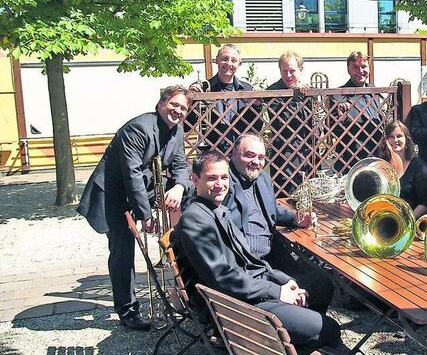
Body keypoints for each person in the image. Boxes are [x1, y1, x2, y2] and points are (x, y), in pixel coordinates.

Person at [173, 151, 341, 352]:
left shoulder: (215, 209)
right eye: (212, 178)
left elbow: (251, 260)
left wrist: (282, 280)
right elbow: (223, 279)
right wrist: (277, 292)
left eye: (224, 177)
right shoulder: (195, 220)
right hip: (237, 307)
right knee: (328, 329)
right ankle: (283, 343)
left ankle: (291, 338)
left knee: (322, 284)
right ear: (195, 179)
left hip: (250, 290)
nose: (219, 184)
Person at [77, 85, 191, 330]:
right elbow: (132, 174)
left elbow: (181, 165)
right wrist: (145, 215)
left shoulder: (178, 131)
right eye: (174, 105)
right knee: (122, 252)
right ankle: (127, 311)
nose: (178, 111)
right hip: (114, 195)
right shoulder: (138, 128)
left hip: (139, 192)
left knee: (190, 195)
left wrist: (180, 187)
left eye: (183, 108)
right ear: (161, 104)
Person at [223, 133, 335, 315]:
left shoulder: (262, 179)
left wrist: (295, 218)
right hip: (248, 264)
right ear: (234, 154)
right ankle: (297, 328)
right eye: (249, 155)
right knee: (303, 289)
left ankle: (302, 329)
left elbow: (272, 207)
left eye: (261, 157)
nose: (256, 162)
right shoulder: (225, 182)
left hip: (273, 254)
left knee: (323, 283)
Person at [188, 44, 258, 151]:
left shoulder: (247, 89)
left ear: (239, 64)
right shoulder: (204, 87)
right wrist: (191, 101)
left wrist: (257, 106)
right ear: (216, 60)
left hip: (240, 152)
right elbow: (187, 126)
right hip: (211, 152)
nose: (229, 63)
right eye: (225, 59)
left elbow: (256, 127)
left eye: (234, 60)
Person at [266, 51, 314, 194]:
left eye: (292, 71)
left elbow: (317, 122)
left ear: (301, 69)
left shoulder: (309, 91)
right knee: (287, 197)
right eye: (284, 71)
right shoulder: (272, 91)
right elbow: (281, 122)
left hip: (309, 153)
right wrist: (292, 97)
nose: (287, 75)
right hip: (285, 155)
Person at [331, 51, 383, 174]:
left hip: (376, 157)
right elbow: (332, 131)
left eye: (364, 67)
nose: (360, 71)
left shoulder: (375, 91)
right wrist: (341, 120)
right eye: (355, 67)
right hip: (350, 161)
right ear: (348, 70)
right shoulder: (338, 95)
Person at [376, 121, 427, 218]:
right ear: (386, 140)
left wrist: (407, 222)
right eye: (391, 137)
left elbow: (424, 204)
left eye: (399, 136)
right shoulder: (380, 165)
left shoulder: (418, 166)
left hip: (409, 219)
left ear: (407, 140)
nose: (395, 140)